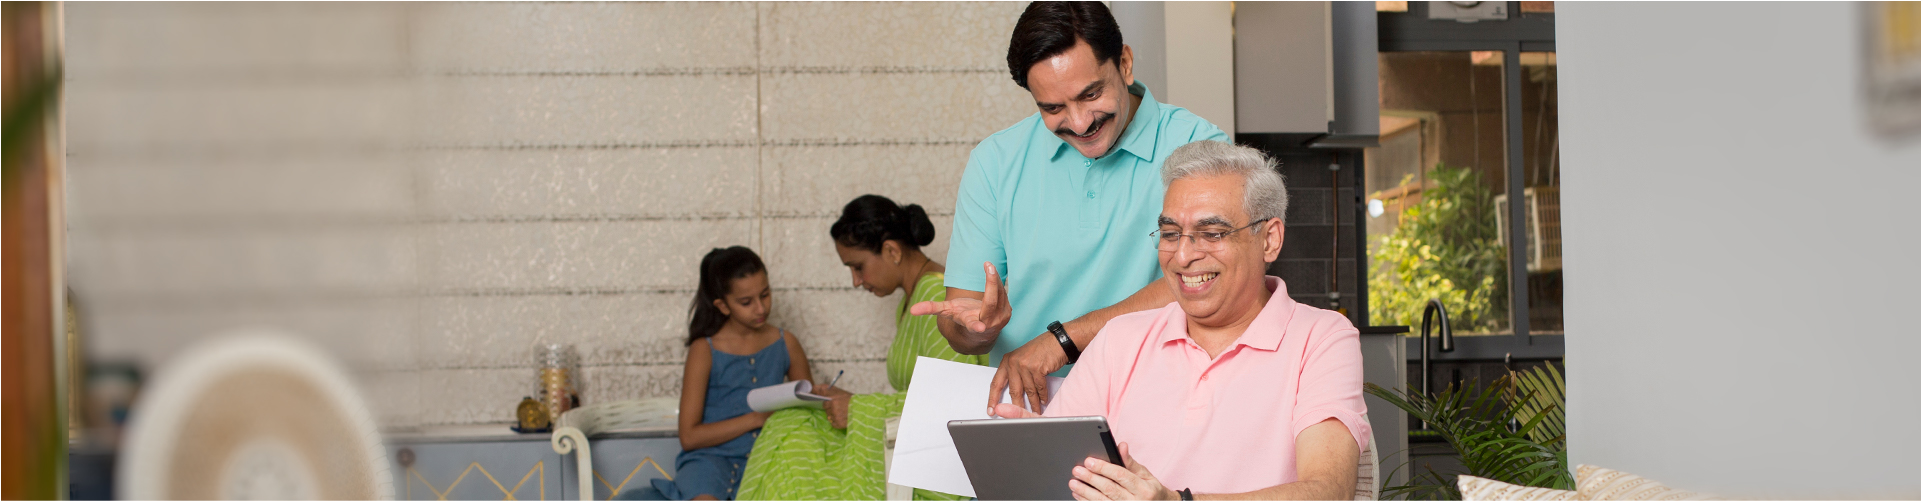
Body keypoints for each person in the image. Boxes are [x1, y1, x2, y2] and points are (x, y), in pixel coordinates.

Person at [993, 141, 1370, 500]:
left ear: (1269, 239)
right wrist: (1030, 466)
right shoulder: (1119, 339)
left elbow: (1328, 491)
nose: (1183, 255)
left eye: (1211, 233)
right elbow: (1063, 482)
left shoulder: (1321, 337)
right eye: (1171, 233)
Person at [909, 1, 1231, 413]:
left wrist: (1064, 340)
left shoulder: (1200, 149)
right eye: (1053, 108)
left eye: (1091, 94)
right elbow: (961, 320)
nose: (1080, 124)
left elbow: (1211, 277)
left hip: (1165, 406)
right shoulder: (995, 162)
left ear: (1125, 64)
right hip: (1031, 407)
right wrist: (977, 328)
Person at [736, 195, 986, 501]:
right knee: (791, 423)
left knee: (793, 443)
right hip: (910, 439)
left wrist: (856, 408)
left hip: (939, 460)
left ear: (892, 250)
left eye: (858, 267)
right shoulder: (910, 301)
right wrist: (852, 404)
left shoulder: (935, 298)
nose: (856, 281)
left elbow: (956, 401)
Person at [643, 246, 816, 501]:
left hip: (769, 458)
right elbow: (689, 437)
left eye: (765, 295)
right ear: (723, 306)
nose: (760, 309)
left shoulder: (786, 343)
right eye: (746, 302)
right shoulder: (704, 350)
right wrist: (755, 419)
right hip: (708, 461)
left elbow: (809, 413)